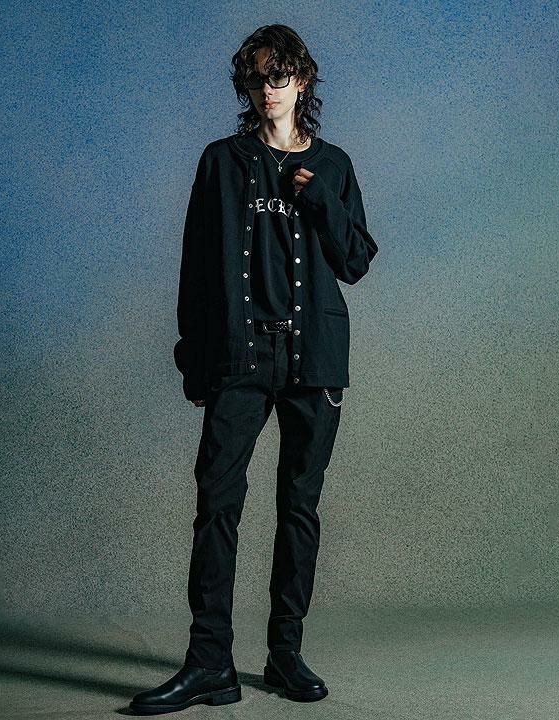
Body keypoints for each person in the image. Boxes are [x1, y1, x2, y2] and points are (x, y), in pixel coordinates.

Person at [129, 23, 378, 715]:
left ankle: (284, 653)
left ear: (303, 80)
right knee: (217, 503)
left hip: (313, 360)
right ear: (247, 83)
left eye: (281, 75)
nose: (269, 88)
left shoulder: (334, 165)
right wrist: (193, 356)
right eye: (259, 77)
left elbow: (356, 261)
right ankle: (210, 663)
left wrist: (319, 199)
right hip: (240, 360)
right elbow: (194, 266)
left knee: (299, 507)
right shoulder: (221, 162)